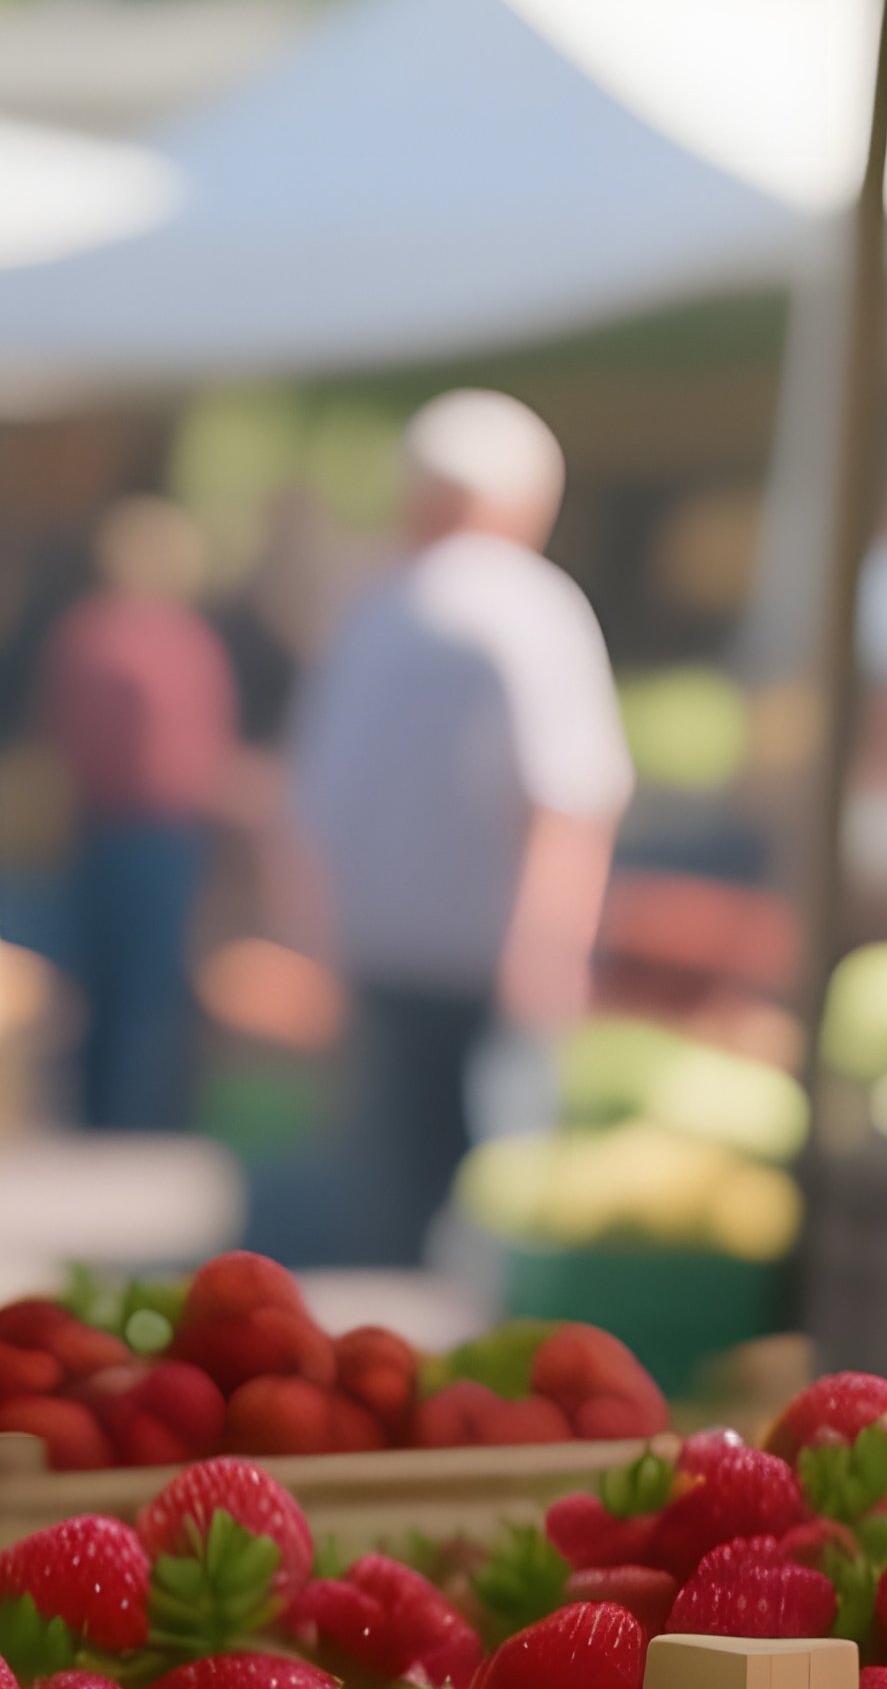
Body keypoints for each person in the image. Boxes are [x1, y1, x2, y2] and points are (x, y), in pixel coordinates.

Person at [293, 391, 632, 1266]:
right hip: (495, 965)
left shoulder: (371, 615)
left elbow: (315, 807)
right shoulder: (531, 609)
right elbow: (569, 799)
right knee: (497, 1239)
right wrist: (549, 951)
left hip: (383, 958)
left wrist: (319, 950)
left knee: (389, 1233)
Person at [41, 497, 236, 1132]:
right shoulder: (121, 637)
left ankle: (126, 1112)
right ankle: (122, 1115)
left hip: (141, 828)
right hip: (138, 827)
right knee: (133, 982)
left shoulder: (134, 635)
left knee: (133, 981)